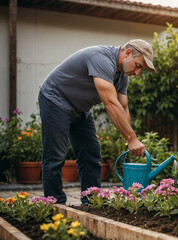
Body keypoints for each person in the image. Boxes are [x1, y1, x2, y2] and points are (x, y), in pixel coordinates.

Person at [38, 39, 155, 204]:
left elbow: (123, 107)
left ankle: (92, 201)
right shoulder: (101, 58)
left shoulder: (122, 77)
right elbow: (110, 104)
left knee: (91, 151)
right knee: (56, 154)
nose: (137, 73)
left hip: (79, 108)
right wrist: (132, 138)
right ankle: (54, 204)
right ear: (128, 53)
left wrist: (128, 138)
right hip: (55, 99)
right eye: (138, 66)